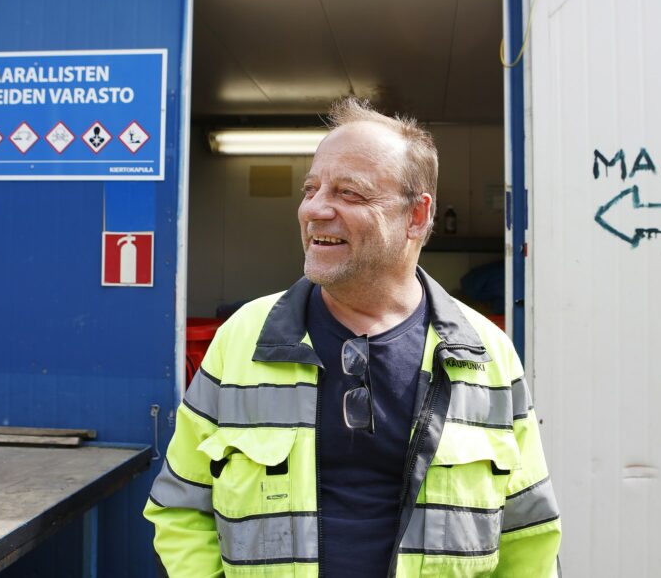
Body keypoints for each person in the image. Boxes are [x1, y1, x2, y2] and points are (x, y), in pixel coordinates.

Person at [144, 98, 561, 577]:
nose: (315, 209)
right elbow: (180, 508)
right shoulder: (242, 339)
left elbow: (528, 537)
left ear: (417, 217)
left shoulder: (484, 353)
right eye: (311, 189)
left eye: (350, 193)